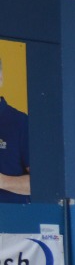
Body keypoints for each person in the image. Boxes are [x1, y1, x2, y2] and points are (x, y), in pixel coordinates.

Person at [0, 55, 29, 203]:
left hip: (12, 222)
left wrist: (3, 181)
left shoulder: (20, 122)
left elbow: (43, 184)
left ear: (1, 78)